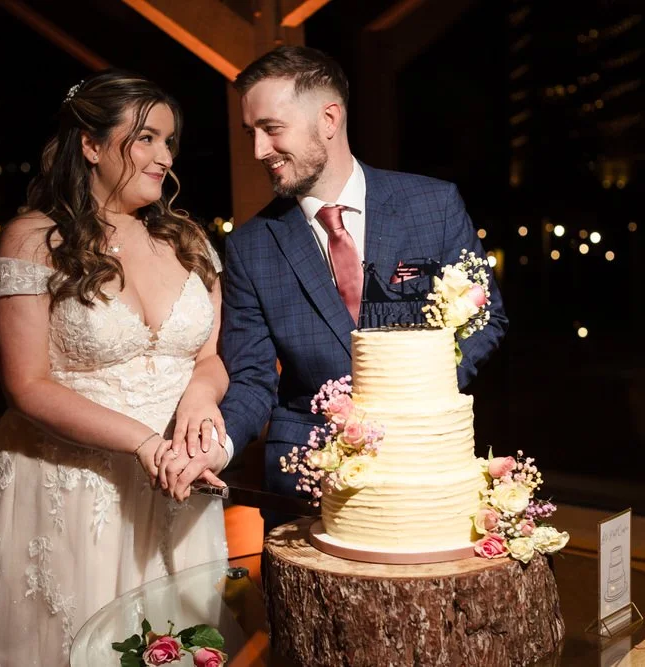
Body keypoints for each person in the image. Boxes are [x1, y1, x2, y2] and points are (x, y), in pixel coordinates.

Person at [0, 70, 231, 665]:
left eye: (170, 142)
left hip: (175, 488)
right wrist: (143, 444)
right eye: (146, 139)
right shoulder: (33, 240)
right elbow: (26, 386)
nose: (165, 156)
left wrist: (200, 400)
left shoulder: (188, 240)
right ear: (91, 144)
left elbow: (208, 359)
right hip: (69, 489)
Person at [167, 46, 509, 530]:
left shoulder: (433, 204)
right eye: (251, 133)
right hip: (306, 479)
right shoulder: (250, 247)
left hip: (424, 468)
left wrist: (412, 396)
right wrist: (216, 449)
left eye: (271, 129)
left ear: (329, 118)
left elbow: (485, 317)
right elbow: (251, 379)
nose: (257, 150)